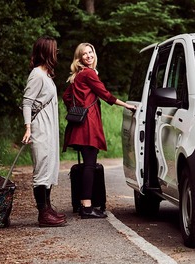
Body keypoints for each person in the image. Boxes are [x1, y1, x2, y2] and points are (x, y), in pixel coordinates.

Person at [62, 43, 136, 219]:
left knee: (88, 164)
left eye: (90, 52)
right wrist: (126, 105)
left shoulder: (78, 75)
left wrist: (76, 108)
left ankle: (83, 204)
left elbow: (66, 96)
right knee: (89, 165)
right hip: (88, 125)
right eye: (84, 54)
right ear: (79, 58)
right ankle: (87, 207)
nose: (88, 56)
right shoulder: (88, 73)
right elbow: (105, 94)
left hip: (78, 125)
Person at [21, 36, 66, 227]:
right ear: (46, 51)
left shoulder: (47, 74)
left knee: (49, 167)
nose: (56, 52)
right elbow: (27, 102)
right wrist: (28, 128)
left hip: (50, 128)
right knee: (41, 169)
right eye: (53, 49)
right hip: (40, 128)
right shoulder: (37, 74)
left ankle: (48, 207)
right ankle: (43, 213)